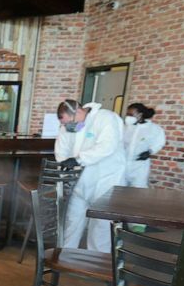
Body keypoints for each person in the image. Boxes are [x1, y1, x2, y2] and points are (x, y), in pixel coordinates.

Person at [54, 99, 125, 252]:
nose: (67, 127)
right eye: (64, 124)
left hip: (105, 180)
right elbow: (62, 148)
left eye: (68, 122)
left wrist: (79, 159)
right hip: (80, 183)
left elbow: (107, 146)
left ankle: (97, 261)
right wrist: (64, 164)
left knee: (101, 225)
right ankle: (66, 256)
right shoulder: (69, 126)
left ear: (78, 112)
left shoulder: (105, 118)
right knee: (73, 221)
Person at [122, 102, 166, 188]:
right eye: (127, 114)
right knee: (120, 189)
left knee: (138, 191)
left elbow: (159, 142)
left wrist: (150, 152)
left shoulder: (154, 128)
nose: (128, 117)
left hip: (139, 166)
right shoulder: (126, 127)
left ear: (140, 114)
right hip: (123, 164)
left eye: (131, 114)